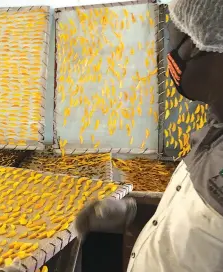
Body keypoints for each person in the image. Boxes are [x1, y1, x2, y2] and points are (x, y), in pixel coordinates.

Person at [76, 0, 223, 271]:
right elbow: (200, 227)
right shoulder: (211, 133)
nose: (174, 55)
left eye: (188, 41)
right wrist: (133, 214)